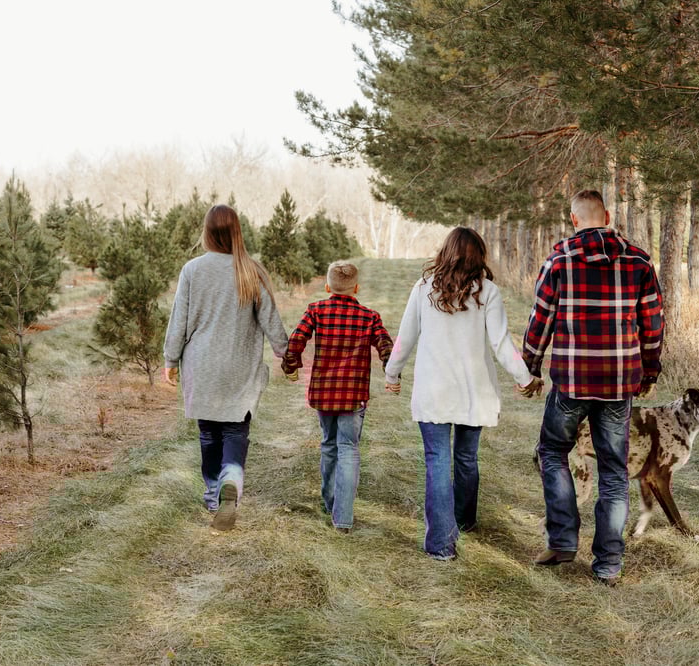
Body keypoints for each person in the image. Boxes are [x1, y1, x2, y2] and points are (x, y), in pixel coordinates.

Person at [523, 189, 664, 585]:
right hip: (619, 384)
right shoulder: (638, 261)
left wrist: (530, 366)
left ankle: (564, 541)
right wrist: (649, 373)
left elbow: (540, 320)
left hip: (571, 380)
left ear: (573, 219)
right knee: (614, 471)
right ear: (607, 216)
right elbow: (653, 325)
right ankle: (608, 563)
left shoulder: (559, 260)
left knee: (552, 451)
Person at [385, 227, 542, 561]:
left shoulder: (424, 288)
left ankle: (442, 544)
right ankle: (464, 521)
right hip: (474, 393)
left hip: (434, 392)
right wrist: (524, 377)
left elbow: (405, 337)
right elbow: (502, 344)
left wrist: (392, 373)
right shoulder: (487, 292)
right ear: (479, 256)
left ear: (446, 252)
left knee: (438, 463)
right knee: (466, 459)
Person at [163, 204, 288, 531]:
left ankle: (214, 493)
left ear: (206, 232)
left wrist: (170, 359)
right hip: (239, 367)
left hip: (202, 367)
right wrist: (286, 354)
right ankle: (231, 479)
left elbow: (179, 321)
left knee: (208, 433)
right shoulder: (251, 270)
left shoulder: (193, 270)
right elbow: (271, 320)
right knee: (235, 429)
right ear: (237, 232)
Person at [281, 261, 393, 533]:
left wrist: (290, 365)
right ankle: (342, 517)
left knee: (329, 445)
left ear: (328, 286)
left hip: (324, 393)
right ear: (356, 288)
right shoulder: (369, 316)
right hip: (353, 396)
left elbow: (296, 341)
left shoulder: (316, 310)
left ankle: (330, 502)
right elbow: (385, 345)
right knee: (349, 449)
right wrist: (392, 370)